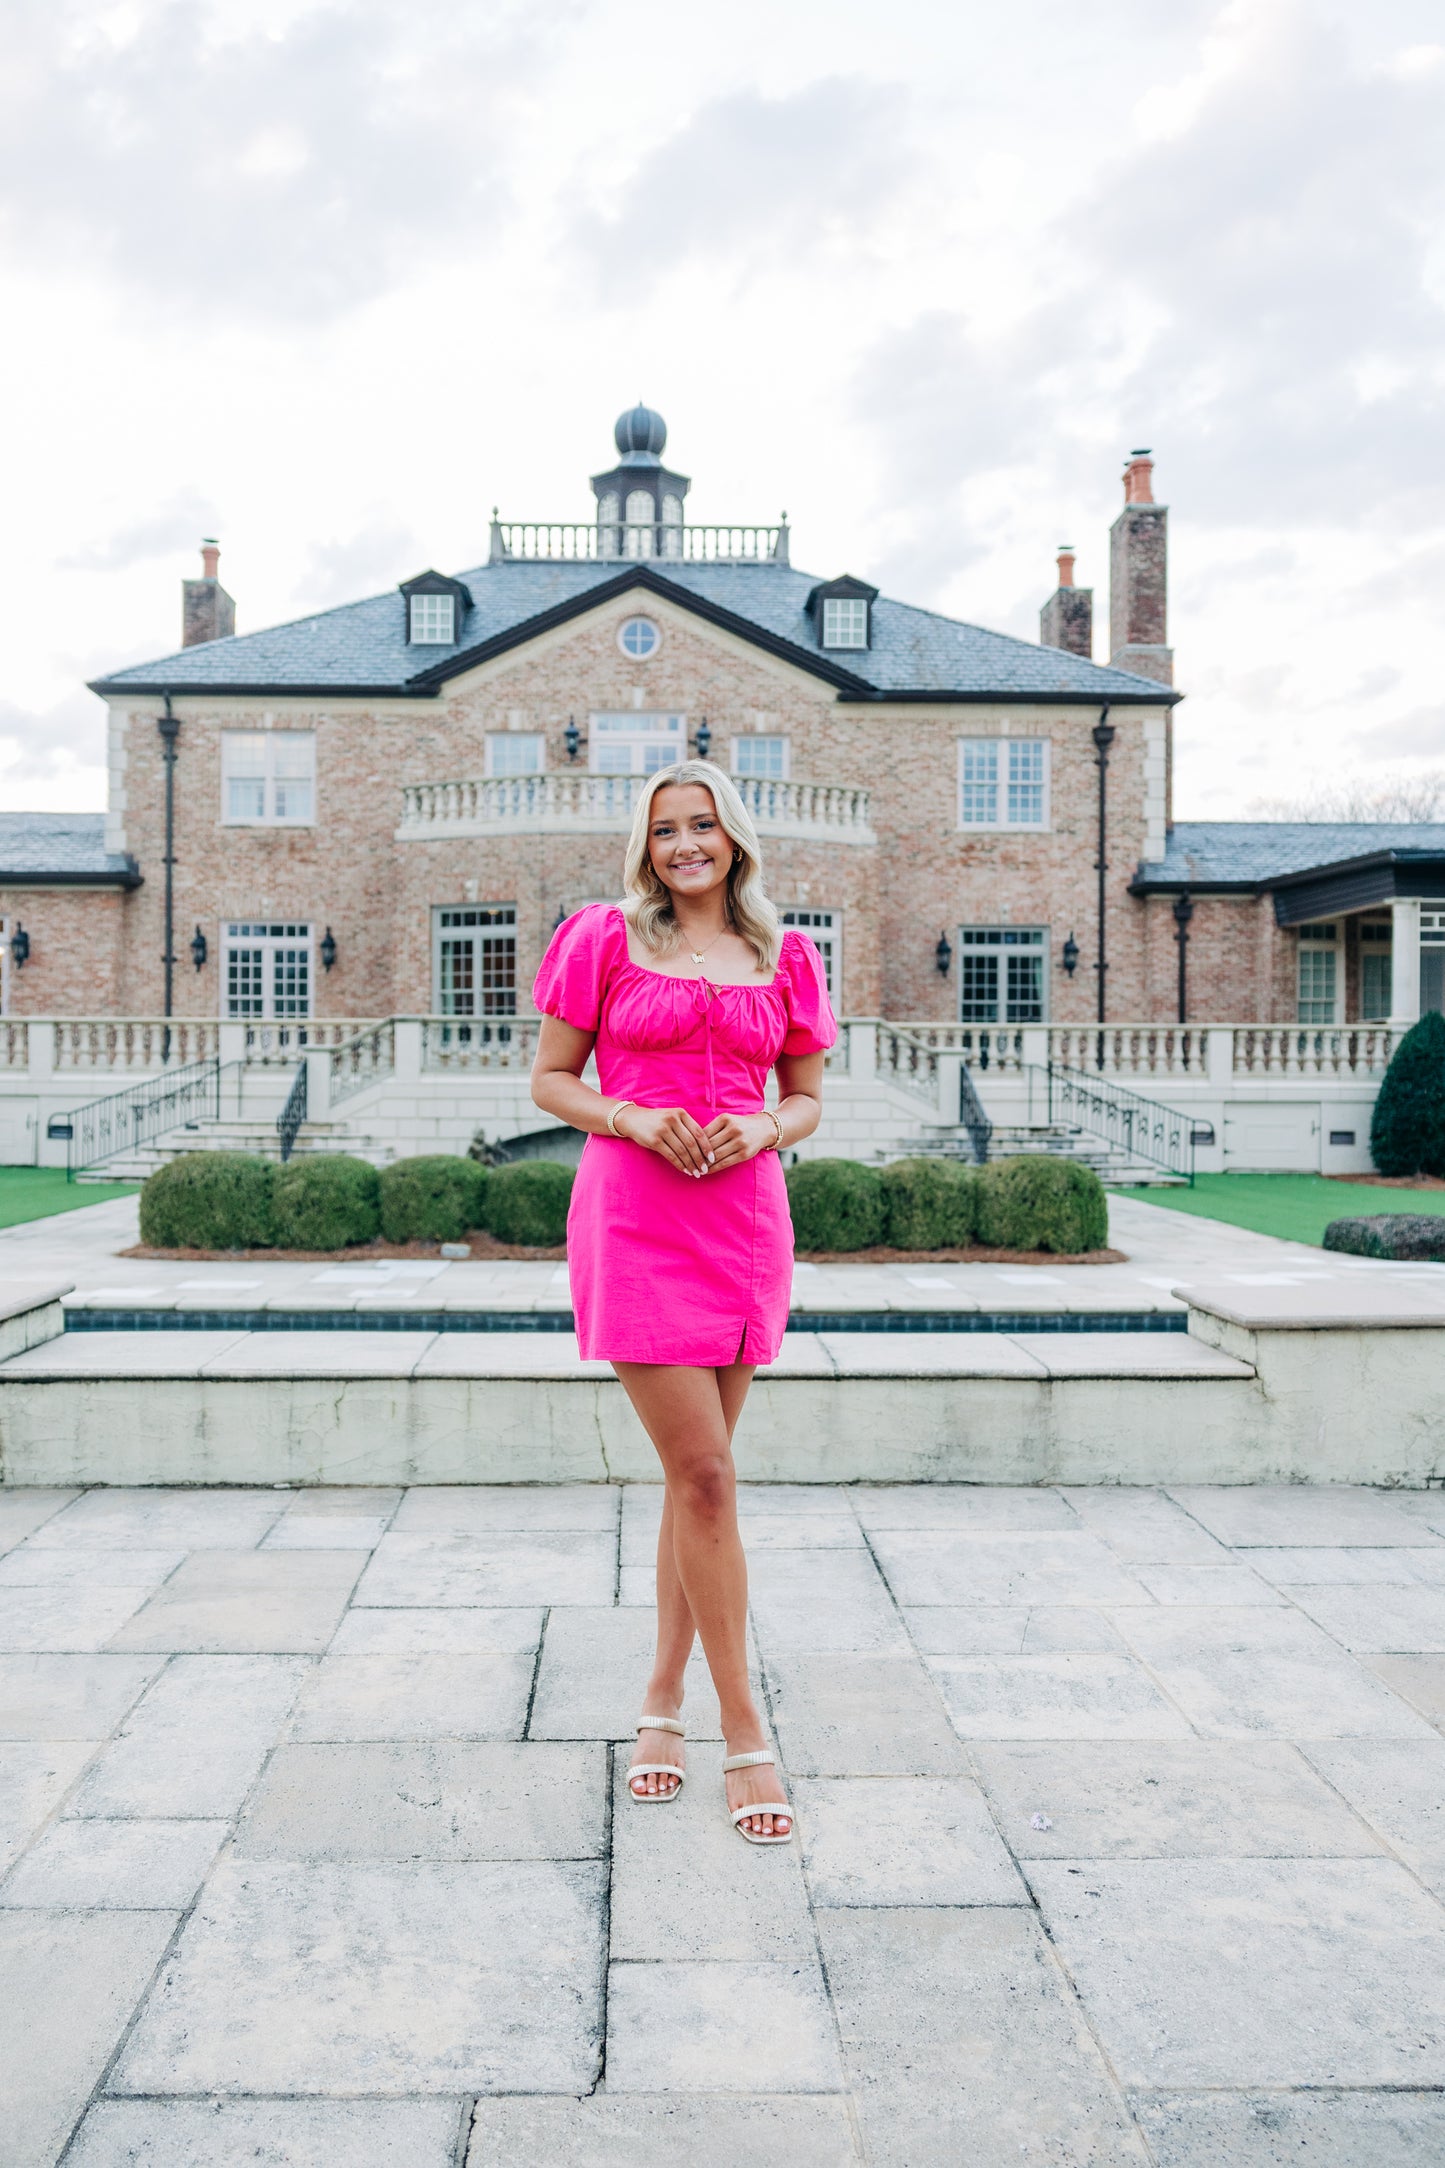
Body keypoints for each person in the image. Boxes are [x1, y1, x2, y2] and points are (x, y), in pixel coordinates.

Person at [530, 759, 835, 1845]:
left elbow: (802, 1097)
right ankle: (742, 1724)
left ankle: (658, 1704)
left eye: (701, 825)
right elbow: (550, 1079)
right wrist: (625, 1115)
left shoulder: (782, 953)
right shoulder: (603, 937)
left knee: (689, 1481)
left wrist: (762, 1127)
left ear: (732, 836)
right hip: (636, 1218)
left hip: (743, 1223)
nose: (685, 845)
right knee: (704, 1472)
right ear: (646, 845)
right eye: (665, 830)